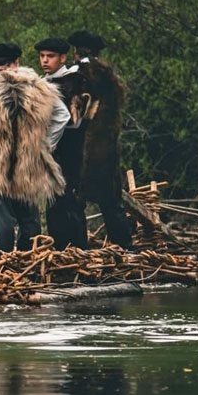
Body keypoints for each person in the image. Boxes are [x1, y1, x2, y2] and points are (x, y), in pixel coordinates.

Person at [0, 42, 69, 252]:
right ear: (18, 61)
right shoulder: (39, 87)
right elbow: (63, 115)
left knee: (4, 219)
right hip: (29, 160)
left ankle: (4, 263)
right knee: (29, 218)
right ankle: (29, 261)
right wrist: (44, 143)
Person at [69, 30, 134, 249]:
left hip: (87, 148)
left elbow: (78, 114)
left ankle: (79, 249)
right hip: (108, 147)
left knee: (77, 200)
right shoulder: (109, 76)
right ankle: (124, 246)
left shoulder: (81, 74)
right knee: (111, 201)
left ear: (76, 51)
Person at [36, 37, 90, 249]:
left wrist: (48, 143)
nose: (45, 61)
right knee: (52, 201)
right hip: (51, 153)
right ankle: (58, 249)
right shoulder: (44, 82)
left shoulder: (73, 81)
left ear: (62, 58)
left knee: (71, 200)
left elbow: (74, 121)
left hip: (69, 151)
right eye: (42, 56)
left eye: (50, 56)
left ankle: (78, 250)